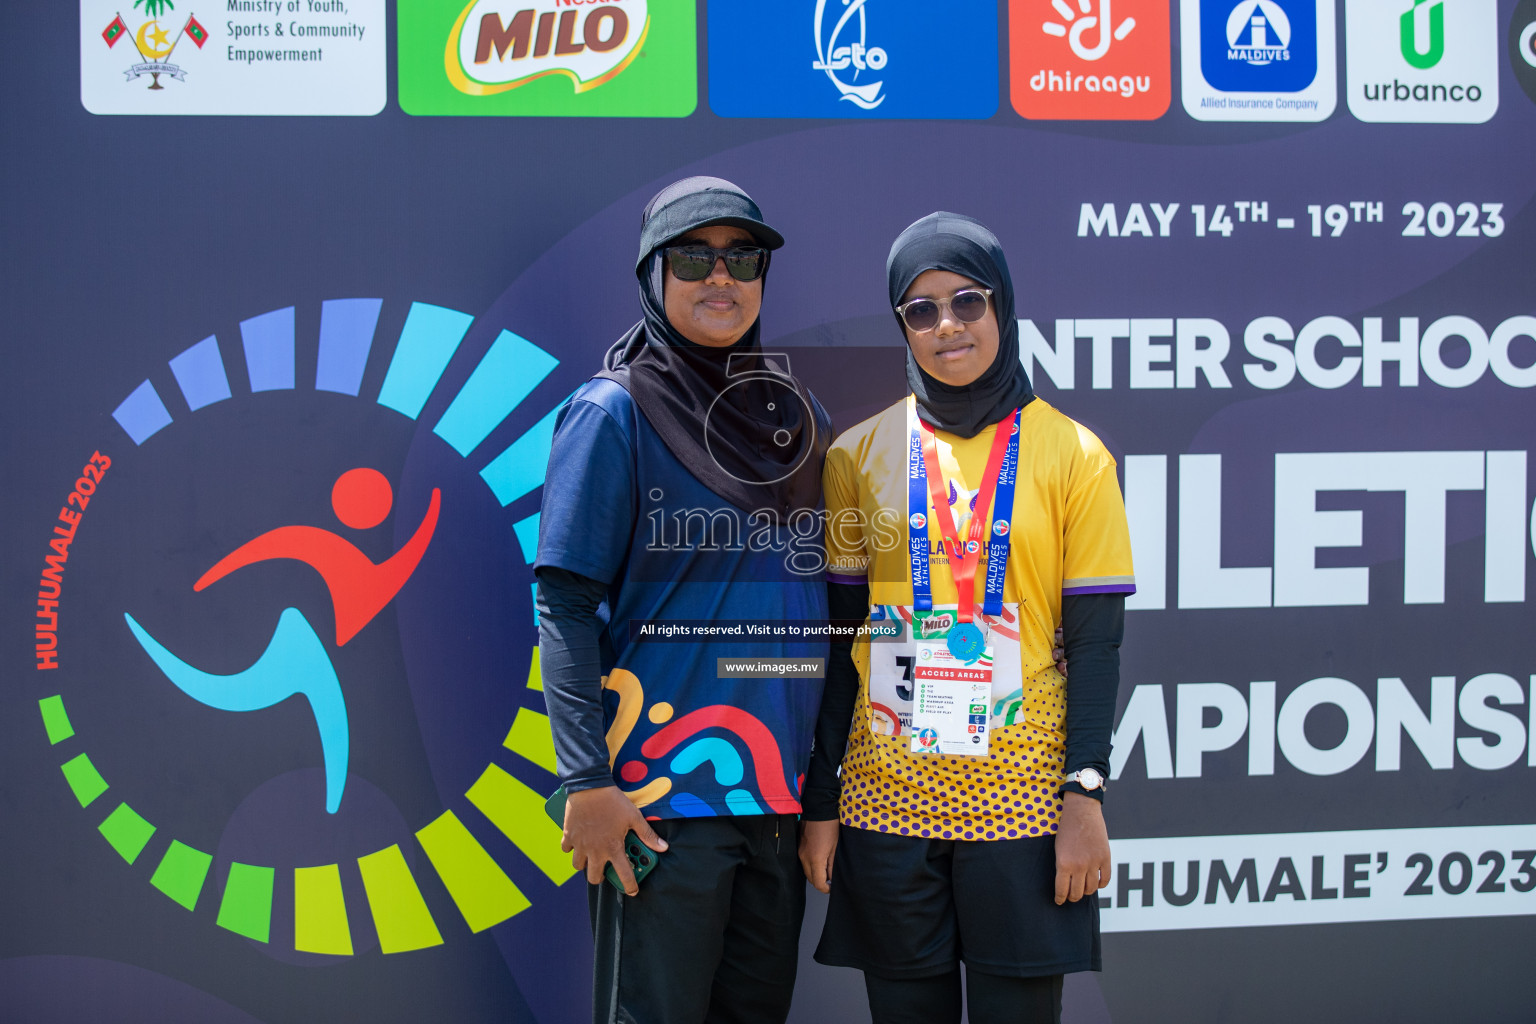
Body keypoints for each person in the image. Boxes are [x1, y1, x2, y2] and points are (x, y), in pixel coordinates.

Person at [798, 212, 1134, 1024]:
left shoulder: (1076, 455)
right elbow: (840, 639)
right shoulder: (855, 455)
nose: (947, 325)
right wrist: (821, 801)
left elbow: (1097, 645)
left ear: (1003, 308)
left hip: (1023, 797)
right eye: (920, 309)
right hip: (886, 794)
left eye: (967, 301)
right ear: (902, 328)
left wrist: (1084, 794)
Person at [535, 177, 832, 1024]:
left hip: (774, 805)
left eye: (742, 257)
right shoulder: (612, 412)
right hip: (658, 808)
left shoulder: (798, 417)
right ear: (653, 275)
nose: (721, 277)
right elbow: (562, 605)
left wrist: (816, 797)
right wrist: (586, 780)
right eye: (694, 256)